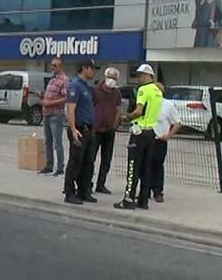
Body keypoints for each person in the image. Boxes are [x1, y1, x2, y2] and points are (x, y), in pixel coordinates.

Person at [115, 64, 162, 210]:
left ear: (148, 76)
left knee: (133, 166)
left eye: (141, 75)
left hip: (139, 131)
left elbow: (138, 111)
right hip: (151, 131)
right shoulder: (158, 91)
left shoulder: (143, 90)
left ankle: (128, 199)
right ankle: (143, 200)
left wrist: (126, 117)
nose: (139, 78)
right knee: (146, 167)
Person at [63, 61, 97, 205]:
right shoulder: (75, 85)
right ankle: (69, 191)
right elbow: (70, 110)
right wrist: (73, 130)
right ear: (84, 68)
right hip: (78, 128)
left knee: (88, 162)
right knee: (75, 161)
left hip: (88, 129)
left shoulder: (86, 87)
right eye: (92, 69)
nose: (94, 72)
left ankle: (83, 191)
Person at [91, 67, 122, 195]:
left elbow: (118, 109)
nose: (111, 81)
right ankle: (87, 184)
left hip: (109, 130)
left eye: (114, 78)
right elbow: (90, 107)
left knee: (106, 159)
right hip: (95, 130)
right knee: (90, 158)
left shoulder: (117, 93)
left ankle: (101, 184)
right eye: (110, 77)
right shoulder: (95, 90)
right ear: (105, 77)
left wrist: (114, 125)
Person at [150, 82, 182, 204]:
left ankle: (157, 191)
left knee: (157, 166)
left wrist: (168, 135)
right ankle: (144, 191)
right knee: (145, 166)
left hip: (159, 140)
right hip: (147, 139)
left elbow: (177, 123)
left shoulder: (168, 105)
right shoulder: (147, 103)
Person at [39, 58, 69, 176]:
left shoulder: (64, 80)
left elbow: (66, 97)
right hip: (46, 113)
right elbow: (50, 95)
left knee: (57, 142)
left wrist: (49, 103)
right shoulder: (52, 79)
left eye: (55, 65)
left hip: (56, 114)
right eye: (51, 65)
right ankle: (48, 165)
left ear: (60, 67)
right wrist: (42, 96)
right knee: (48, 142)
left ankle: (60, 167)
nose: (52, 67)